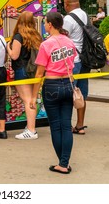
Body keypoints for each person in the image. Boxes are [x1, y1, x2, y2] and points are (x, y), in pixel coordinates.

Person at [30, 12, 77, 174]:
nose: (44, 25)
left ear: (50, 24)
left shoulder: (46, 45)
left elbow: (39, 74)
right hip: (68, 85)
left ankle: (62, 164)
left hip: (52, 85)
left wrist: (34, 95)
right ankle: (65, 162)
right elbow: (73, 64)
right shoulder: (70, 42)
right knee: (66, 125)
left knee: (56, 127)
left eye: (45, 22)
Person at [6, 11, 42, 140]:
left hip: (22, 70)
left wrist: (8, 48)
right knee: (32, 99)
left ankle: (31, 130)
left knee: (27, 100)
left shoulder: (18, 36)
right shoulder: (36, 36)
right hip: (34, 70)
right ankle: (30, 127)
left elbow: (14, 55)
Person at [63, 0, 90, 135]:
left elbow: (62, 38)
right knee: (82, 94)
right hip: (85, 59)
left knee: (68, 94)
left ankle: (66, 125)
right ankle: (80, 125)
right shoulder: (85, 15)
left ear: (66, 4)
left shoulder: (68, 19)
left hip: (72, 61)